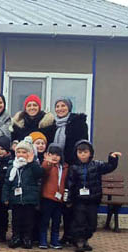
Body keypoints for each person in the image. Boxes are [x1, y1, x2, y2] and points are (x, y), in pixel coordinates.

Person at [65, 140, 121, 252]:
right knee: (79, 221)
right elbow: (70, 184)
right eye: (80, 152)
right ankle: (79, 241)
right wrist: (68, 199)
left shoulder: (97, 165)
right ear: (76, 153)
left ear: (90, 153)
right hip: (79, 200)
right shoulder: (74, 168)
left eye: (85, 152)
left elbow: (109, 167)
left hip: (93, 200)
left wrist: (113, 158)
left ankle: (85, 239)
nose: (82, 154)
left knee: (92, 223)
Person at [52, 98, 88, 246]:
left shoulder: (78, 123)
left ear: (69, 107)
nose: (60, 108)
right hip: (58, 168)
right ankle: (65, 235)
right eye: (58, 106)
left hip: (72, 168)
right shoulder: (53, 125)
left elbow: (82, 145)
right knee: (61, 203)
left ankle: (73, 235)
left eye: (63, 106)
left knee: (71, 202)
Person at [2, 137, 43, 249]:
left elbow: (39, 174)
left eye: (24, 152)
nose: (21, 154)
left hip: (29, 199)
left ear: (29, 153)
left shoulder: (33, 166)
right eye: (18, 152)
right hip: (16, 199)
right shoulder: (12, 166)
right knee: (16, 220)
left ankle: (27, 238)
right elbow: (7, 183)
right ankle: (16, 237)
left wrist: (32, 162)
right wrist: (5, 197)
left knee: (28, 220)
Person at [39, 144, 69, 249]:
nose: (54, 157)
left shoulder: (65, 167)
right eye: (52, 154)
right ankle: (42, 240)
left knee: (56, 221)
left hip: (59, 199)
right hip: (47, 197)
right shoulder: (48, 165)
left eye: (57, 155)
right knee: (45, 220)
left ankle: (54, 240)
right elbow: (43, 170)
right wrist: (48, 162)